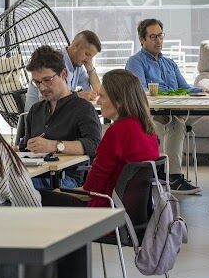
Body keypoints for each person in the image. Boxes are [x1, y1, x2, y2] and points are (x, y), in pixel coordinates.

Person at [39, 69, 161, 207]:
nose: (98, 102)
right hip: (132, 214)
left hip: (104, 212)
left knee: (40, 197)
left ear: (119, 101)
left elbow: (91, 190)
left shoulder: (116, 133)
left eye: (102, 96)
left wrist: (59, 193)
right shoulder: (148, 130)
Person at [125, 18, 203, 195]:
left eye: (160, 36)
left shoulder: (169, 63)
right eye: (153, 37)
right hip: (150, 114)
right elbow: (141, 93)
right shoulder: (135, 62)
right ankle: (174, 177)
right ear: (142, 40)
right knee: (176, 123)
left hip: (177, 110)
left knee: (208, 110)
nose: (158, 41)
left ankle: (169, 173)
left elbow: (186, 88)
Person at [22, 46, 102, 189]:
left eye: (47, 80)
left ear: (64, 74)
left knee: (16, 189)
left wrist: (54, 145)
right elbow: (25, 147)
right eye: (37, 82)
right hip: (37, 175)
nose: (42, 87)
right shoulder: (36, 110)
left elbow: (94, 145)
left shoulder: (83, 108)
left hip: (67, 180)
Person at [24, 30, 102, 111]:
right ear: (76, 46)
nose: (88, 60)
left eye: (91, 57)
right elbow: (45, 100)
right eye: (87, 54)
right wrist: (78, 96)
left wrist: (90, 68)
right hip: (38, 117)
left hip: (59, 114)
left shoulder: (77, 65)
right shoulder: (53, 61)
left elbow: (98, 91)